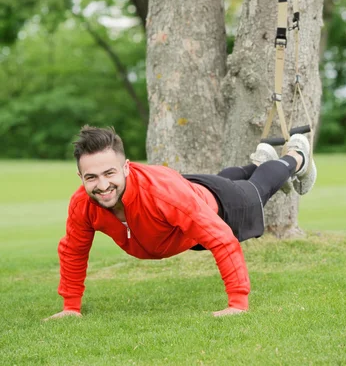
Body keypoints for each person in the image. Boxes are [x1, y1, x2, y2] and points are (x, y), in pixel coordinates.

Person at [44, 125, 317, 320]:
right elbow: (73, 251)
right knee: (224, 180)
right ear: (80, 176)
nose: (102, 185)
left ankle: (297, 156)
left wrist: (237, 302)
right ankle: (263, 161)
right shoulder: (82, 204)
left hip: (220, 206)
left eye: (109, 173)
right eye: (91, 177)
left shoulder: (161, 195)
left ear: (126, 167)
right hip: (189, 197)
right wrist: (70, 307)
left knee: (257, 191)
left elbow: (222, 238)